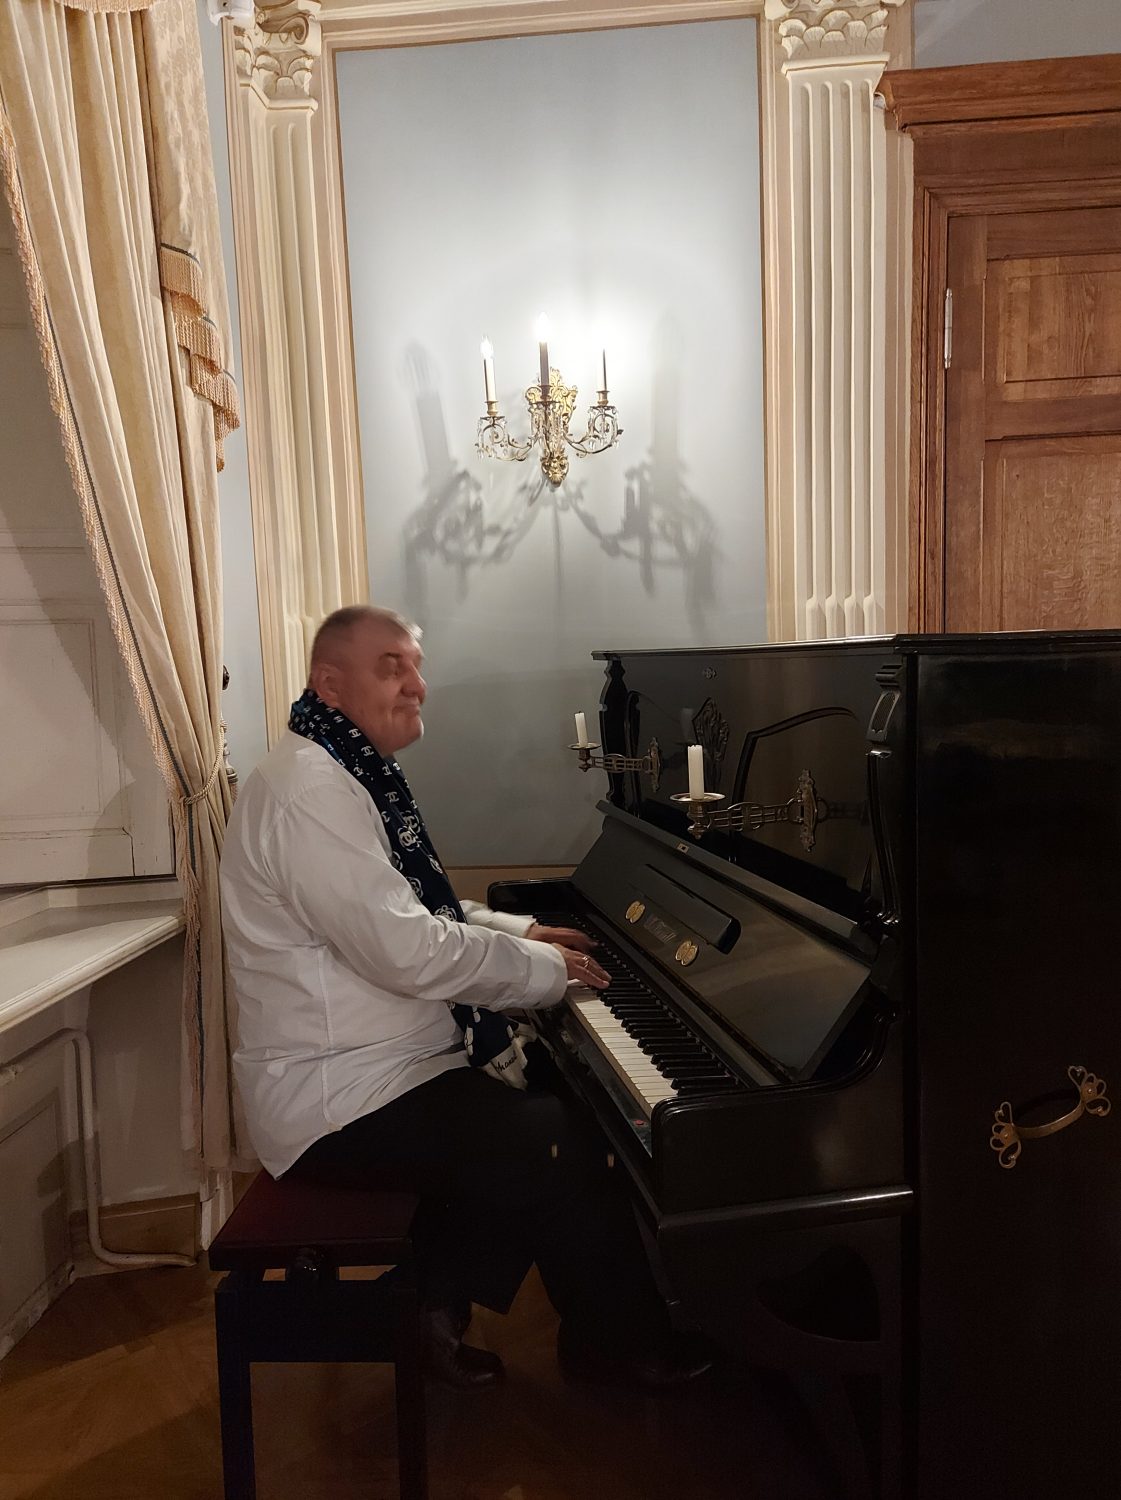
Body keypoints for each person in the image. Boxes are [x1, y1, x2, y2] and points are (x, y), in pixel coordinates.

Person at [220, 605, 710, 1391]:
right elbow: (404, 948)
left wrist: (522, 931)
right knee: (552, 1137)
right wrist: (543, 970)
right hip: (337, 1098)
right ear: (328, 683)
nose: (416, 684)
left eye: (416, 666)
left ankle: (436, 1306)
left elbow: (416, 910)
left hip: (382, 1068)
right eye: (391, 667)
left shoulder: (346, 769)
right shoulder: (309, 791)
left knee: (554, 1104)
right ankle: (616, 1343)